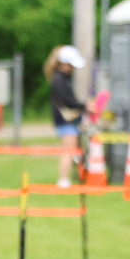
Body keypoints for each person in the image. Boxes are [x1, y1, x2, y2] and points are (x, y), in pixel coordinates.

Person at [45, 45, 88, 186]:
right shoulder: (59, 79)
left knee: (72, 149)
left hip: (67, 121)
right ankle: (63, 179)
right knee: (68, 150)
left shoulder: (63, 78)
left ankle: (69, 177)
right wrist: (85, 106)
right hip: (65, 121)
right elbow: (68, 101)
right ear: (64, 63)